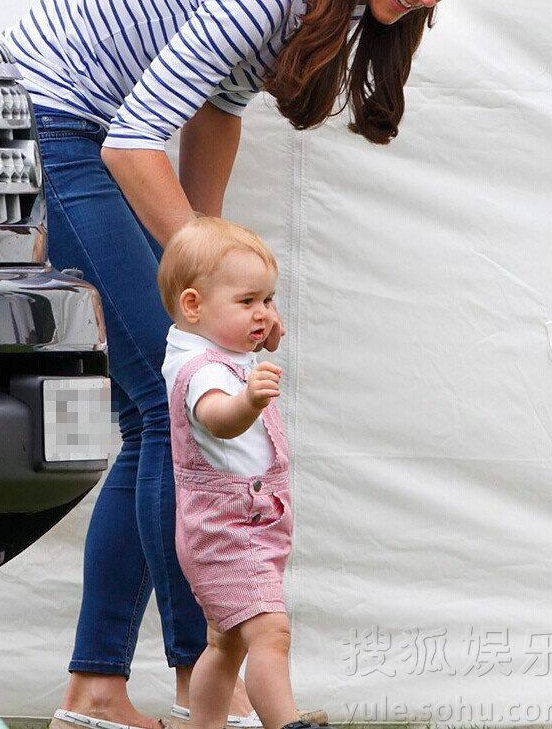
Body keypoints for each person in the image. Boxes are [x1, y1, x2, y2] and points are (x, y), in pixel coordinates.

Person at [1, 0, 512, 728]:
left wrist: (211, 265)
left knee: (149, 418)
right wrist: (210, 267)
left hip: (99, 127)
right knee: (170, 418)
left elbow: (215, 109)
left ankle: (97, 692)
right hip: (61, 121)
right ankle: (206, 684)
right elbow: (132, 141)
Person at [160, 217, 322, 729]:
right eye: (248, 301)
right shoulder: (203, 371)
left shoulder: (209, 345)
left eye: (268, 300)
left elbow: (241, 344)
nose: (264, 314)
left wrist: (254, 340)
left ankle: (203, 724)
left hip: (235, 524)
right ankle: (285, 722)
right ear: (194, 305)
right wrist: (249, 398)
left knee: (224, 641)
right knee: (271, 632)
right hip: (229, 527)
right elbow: (218, 420)